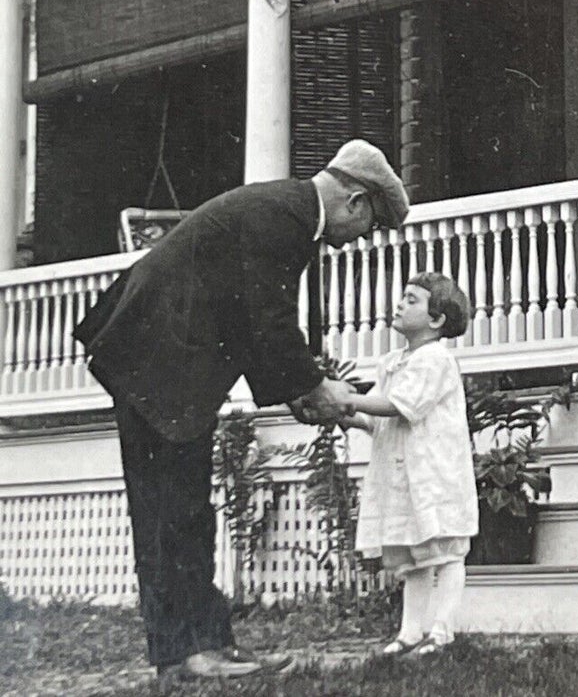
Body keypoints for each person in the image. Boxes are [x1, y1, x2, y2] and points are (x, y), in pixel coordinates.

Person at [75, 139, 408, 685]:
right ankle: (180, 655)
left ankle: (210, 644)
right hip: (154, 363)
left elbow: (252, 322)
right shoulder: (284, 220)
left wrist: (302, 390)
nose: (358, 241)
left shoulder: (286, 212)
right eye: (370, 226)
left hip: (170, 365)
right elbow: (270, 322)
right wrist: (311, 387)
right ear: (355, 200)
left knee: (187, 510)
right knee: (167, 513)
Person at [336, 272, 477, 656]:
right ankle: (410, 632)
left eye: (412, 299)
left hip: (433, 472)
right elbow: (379, 418)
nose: (400, 304)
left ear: (436, 320)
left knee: (445, 550)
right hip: (402, 473)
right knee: (412, 555)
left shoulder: (436, 359)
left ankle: (442, 632)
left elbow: (402, 406)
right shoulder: (392, 362)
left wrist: (347, 398)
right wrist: (342, 414)